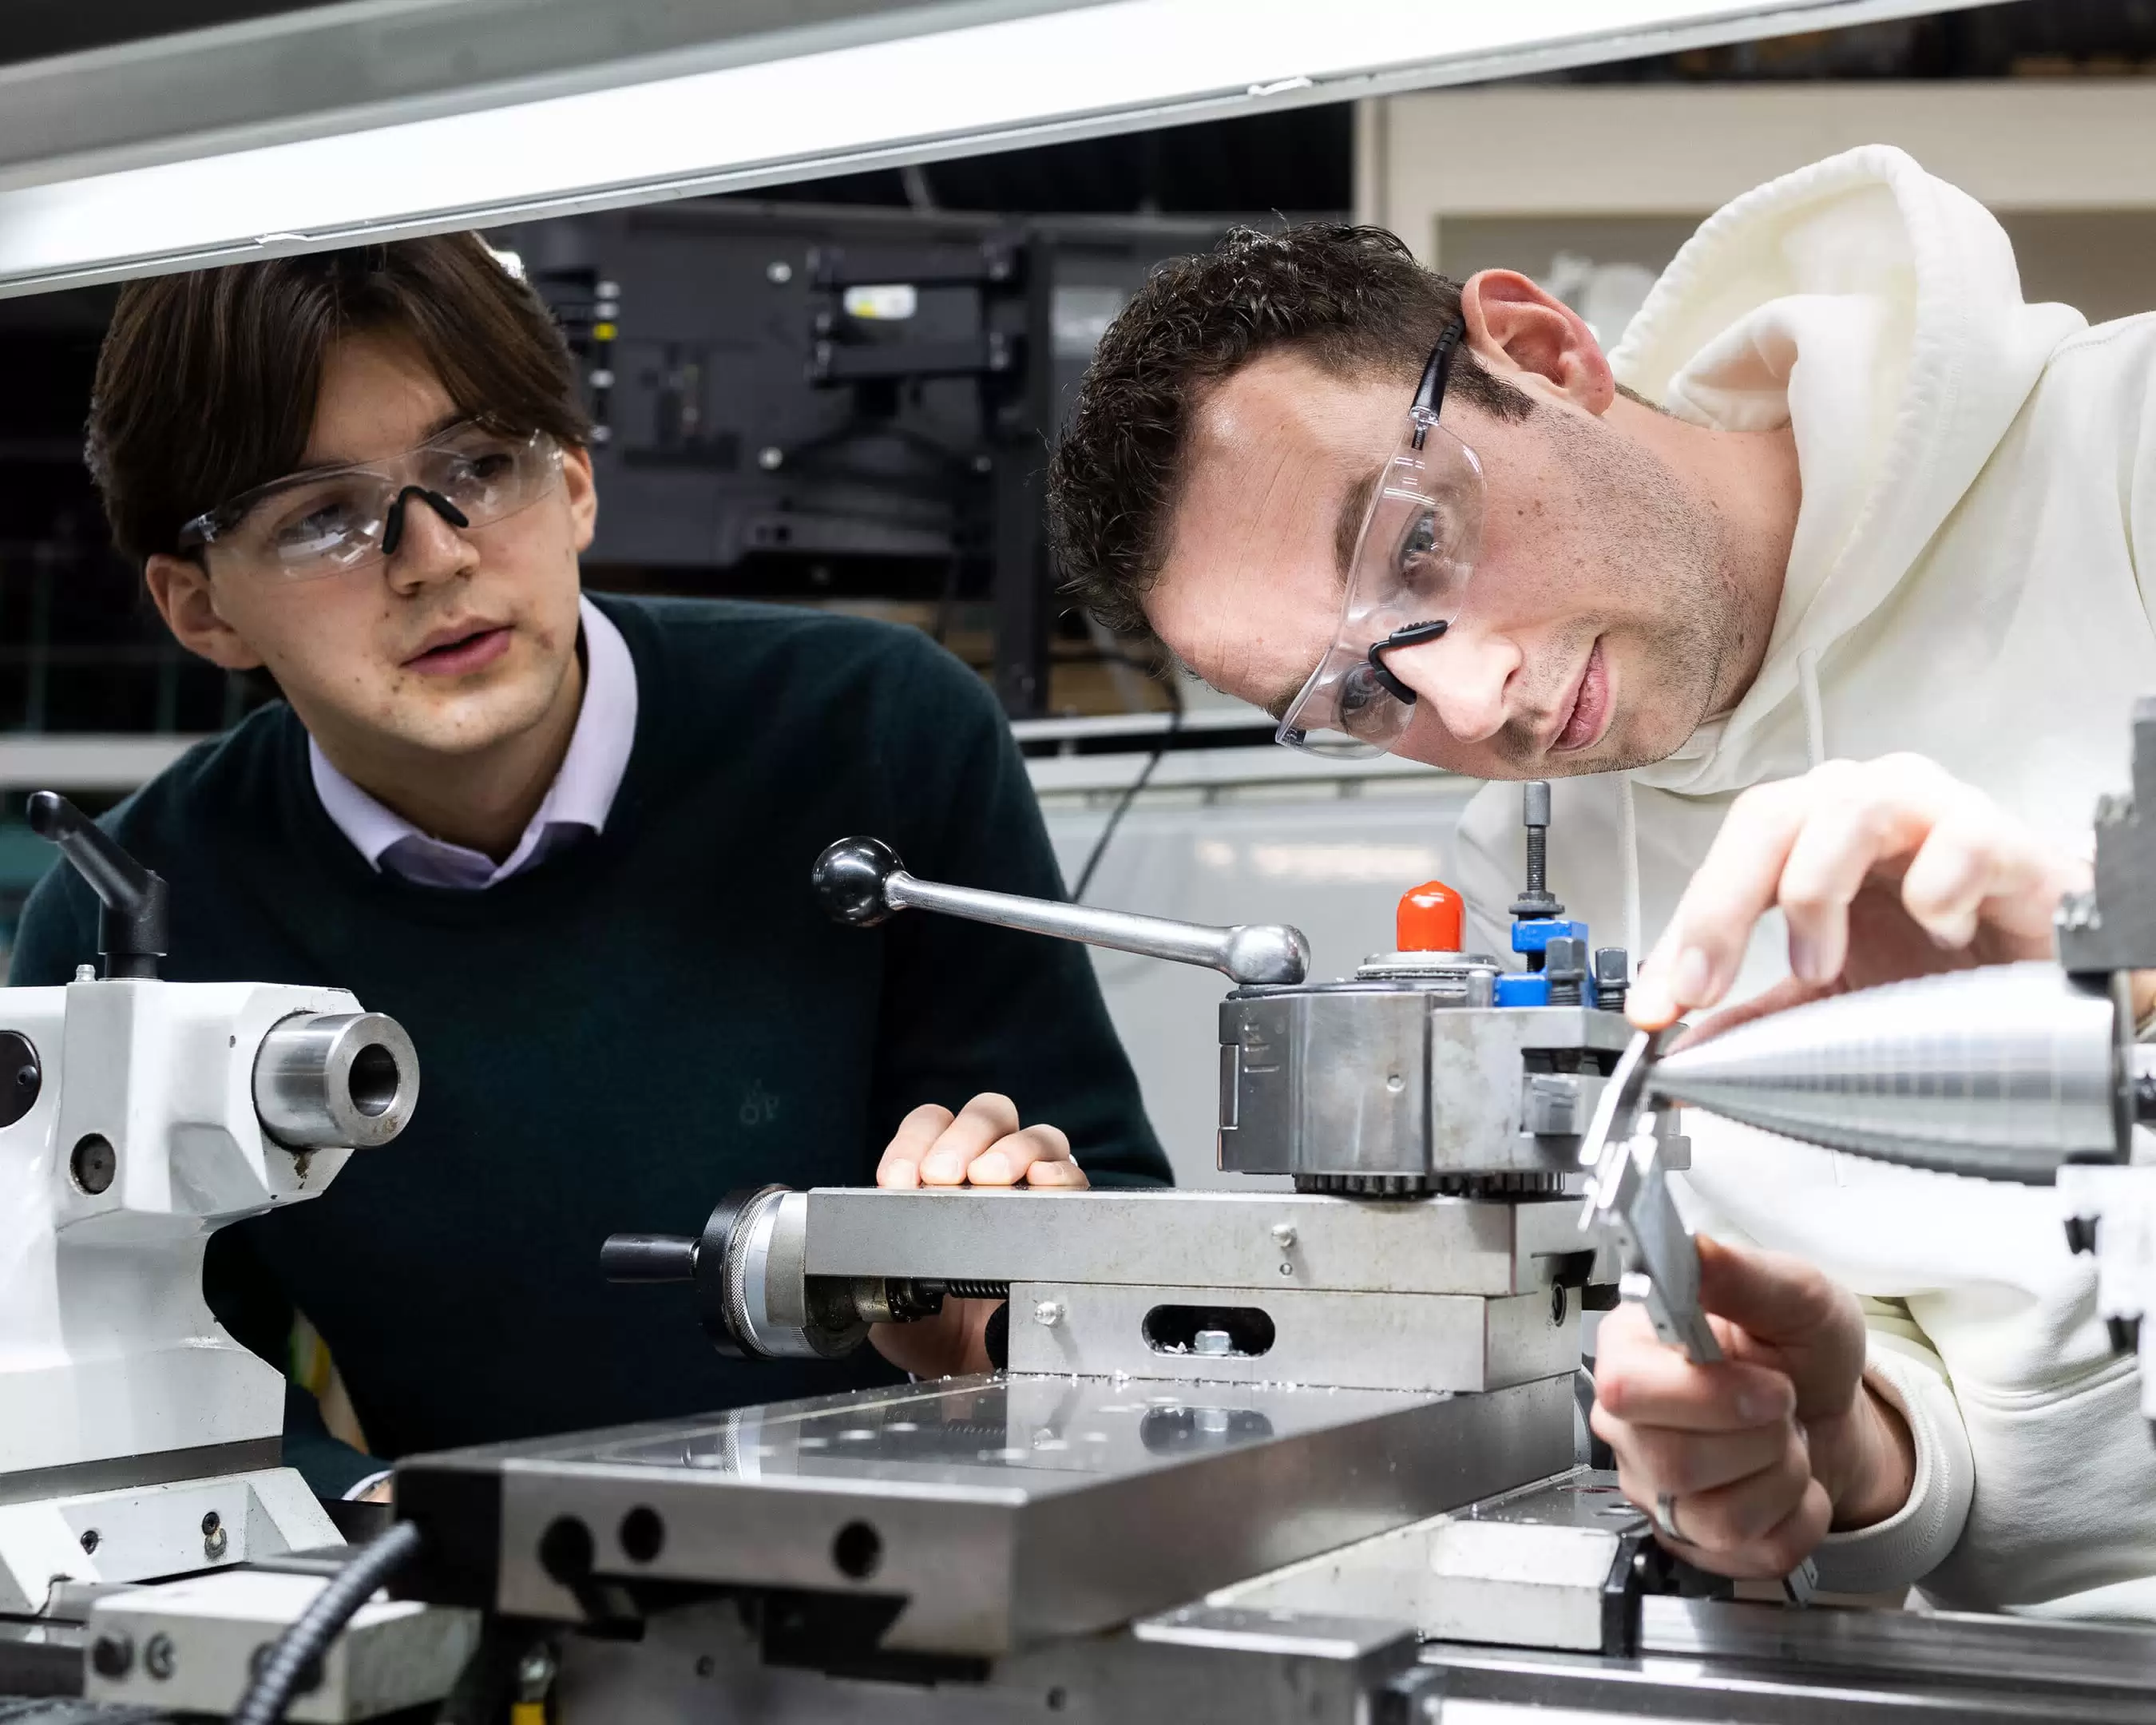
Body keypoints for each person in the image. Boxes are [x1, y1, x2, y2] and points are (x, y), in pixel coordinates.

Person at [1046, 145, 2156, 1614]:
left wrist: (2114, 975)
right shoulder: (1530, 884)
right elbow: (1936, 1456)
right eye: (1360, 699)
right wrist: (1827, 1446)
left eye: (1418, 548)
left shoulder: (2123, 452)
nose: (1474, 694)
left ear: (1545, 356)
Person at [10, 236, 1167, 1499]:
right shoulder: (133, 913)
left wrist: (1005, 1310)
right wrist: (374, 1518)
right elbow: (102, 1353)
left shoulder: (877, 732)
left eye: (479, 469)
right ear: (200, 608)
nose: (435, 555)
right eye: (322, 517)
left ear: (573, 485)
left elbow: (1118, 1241)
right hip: (453, 1615)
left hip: (908, 1567)